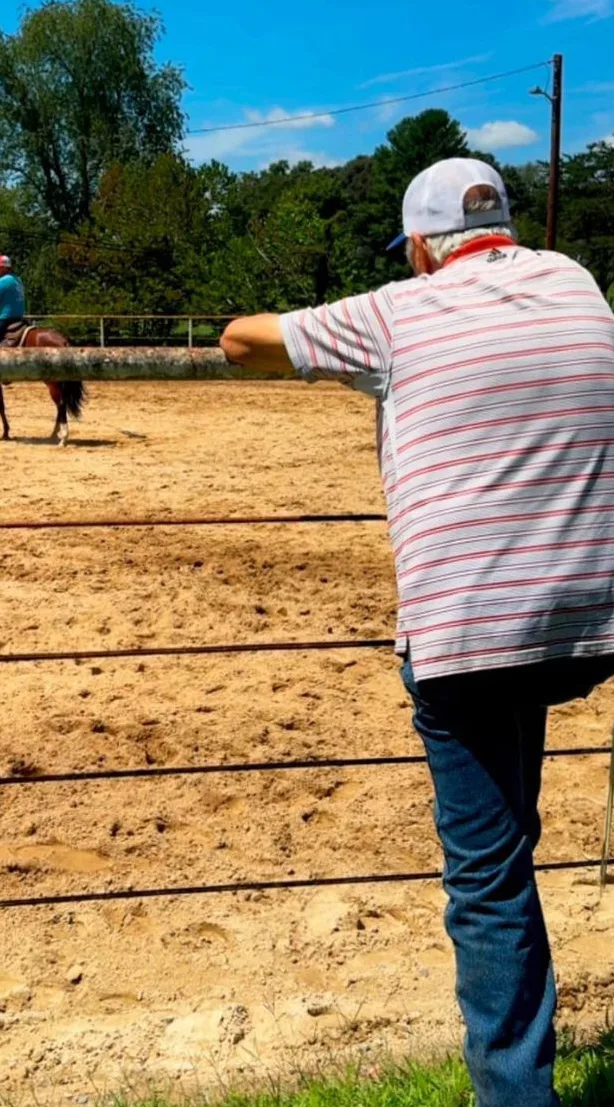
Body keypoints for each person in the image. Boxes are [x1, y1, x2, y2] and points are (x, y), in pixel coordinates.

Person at [220, 157, 614, 1107]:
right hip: (590, 620)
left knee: (487, 880)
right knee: (512, 795)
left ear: (426, 247)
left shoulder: (398, 310)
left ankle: (513, 1096)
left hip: (469, 632)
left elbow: (240, 341)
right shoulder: (576, 282)